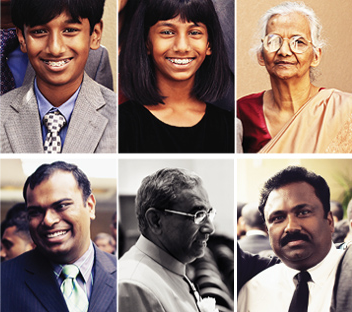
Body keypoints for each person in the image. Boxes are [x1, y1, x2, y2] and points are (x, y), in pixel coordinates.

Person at [0, 0, 117, 153]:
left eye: (69, 30)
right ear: (22, 38)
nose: (55, 49)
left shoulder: (119, 116)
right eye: (39, 31)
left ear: (95, 34)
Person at [119, 0, 233, 153]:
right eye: (167, 32)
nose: (181, 47)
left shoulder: (228, 126)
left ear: (209, 44)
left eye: (194, 32)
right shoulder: (122, 122)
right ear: (147, 42)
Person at [237, 2, 352, 153]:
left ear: (316, 56)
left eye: (298, 42)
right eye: (273, 41)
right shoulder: (242, 111)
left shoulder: (345, 109)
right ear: (261, 55)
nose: (284, 51)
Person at [1, 161, 116, 311]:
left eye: (61, 206)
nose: (48, 220)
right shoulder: (5, 279)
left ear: (90, 206)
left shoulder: (124, 274)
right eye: (35, 212)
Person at [238, 166, 342, 312]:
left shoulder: (346, 275)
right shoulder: (252, 293)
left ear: (329, 221)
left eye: (303, 212)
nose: (291, 227)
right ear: (267, 230)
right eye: (278, 218)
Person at [119, 168, 218, 311]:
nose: (210, 228)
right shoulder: (133, 286)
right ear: (156, 221)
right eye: (198, 215)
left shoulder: (173, 264)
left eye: (209, 214)